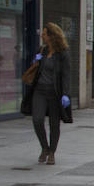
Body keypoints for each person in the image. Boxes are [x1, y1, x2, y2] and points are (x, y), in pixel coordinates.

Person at [23, 23, 71, 165]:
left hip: (54, 92)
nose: (42, 36)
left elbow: (66, 75)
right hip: (39, 91)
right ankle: (45, 147)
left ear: (51, 36)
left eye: (44, 34)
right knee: (37, 120)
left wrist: (66, 94)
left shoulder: (63, 53)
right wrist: (36, 61)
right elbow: (36, 69)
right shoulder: (43, 50)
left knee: (54, 124)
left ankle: (52, 152)